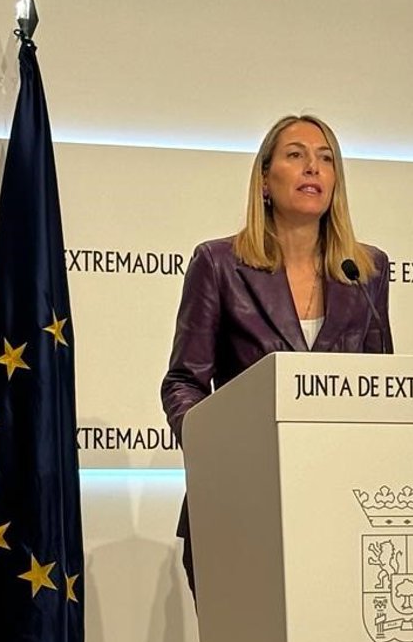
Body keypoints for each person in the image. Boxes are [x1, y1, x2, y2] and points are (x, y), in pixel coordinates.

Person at [161, 113, 393, 598]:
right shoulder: (219, 264)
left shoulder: (365, 270)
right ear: (265, 181)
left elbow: (381, 389)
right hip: (241, 505)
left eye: (326, 159)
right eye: (296, 155)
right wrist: (220, 455)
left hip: (341, 508)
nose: (313, 167)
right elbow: (183, 383)